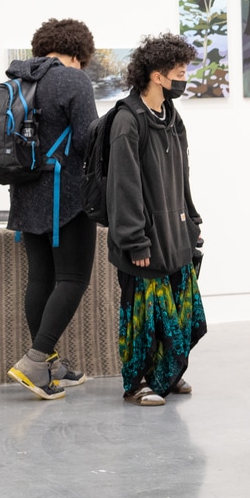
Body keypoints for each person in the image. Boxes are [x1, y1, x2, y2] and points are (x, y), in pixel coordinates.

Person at [105, 33, 208, 406]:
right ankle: (136, 383)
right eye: (178, 72)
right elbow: (124, 186)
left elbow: (182, 174)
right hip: (143, 239)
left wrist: (191, 221)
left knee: (180, 312)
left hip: (174, 232)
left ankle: (167, 372)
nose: (184, 78)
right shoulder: (127, 121)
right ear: (157, 75)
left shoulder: (171, 117)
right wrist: (134, 240)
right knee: (143, 315)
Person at [6, 19, 99, 400]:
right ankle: (35, 359)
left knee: (41, 279)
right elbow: (87, 138)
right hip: (67, 195)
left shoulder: (19, 79)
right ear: (78, 54)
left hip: (24, 193)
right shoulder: (73, 80)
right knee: (73, 278)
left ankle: (49, 366)